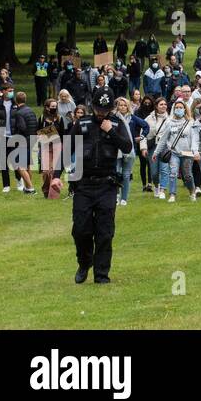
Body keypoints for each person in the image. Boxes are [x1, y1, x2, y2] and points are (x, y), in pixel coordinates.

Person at [69, 91, 133, 283]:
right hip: (84, 185)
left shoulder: (116, 123)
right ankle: (84, 261)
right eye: (98, 109)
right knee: (81, 230)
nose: (100, 113)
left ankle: (101, 274)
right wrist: (56, 177)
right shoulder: (82, 124)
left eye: (104, 110)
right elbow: (66, 149)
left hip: (107, 184)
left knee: (105, 232)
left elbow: (127, 147)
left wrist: (110, 131)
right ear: (92, 106)